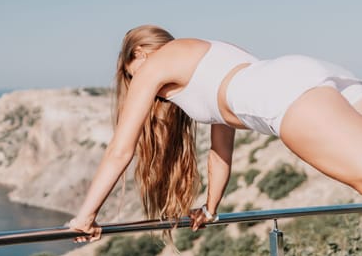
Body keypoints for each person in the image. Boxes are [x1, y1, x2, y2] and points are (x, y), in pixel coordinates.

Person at [69, 24, 362, 242]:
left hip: (286, 97)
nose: (154, 94)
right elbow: (221, 150)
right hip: (313, 73)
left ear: (140, 53)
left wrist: (86, 215)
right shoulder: (212, 54)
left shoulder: (154, 65)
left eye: (133, 75)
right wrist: (210, 208)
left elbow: (120, 150)